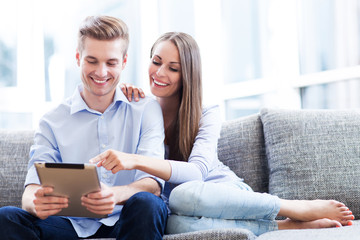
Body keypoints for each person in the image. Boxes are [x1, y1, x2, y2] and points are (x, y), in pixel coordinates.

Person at [89, 32, 355, 236]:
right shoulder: (139, 110)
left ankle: (293, 207)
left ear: (187, 74)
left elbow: (196, 174)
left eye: (173, 67)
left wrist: (134, 160)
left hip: (223, 193)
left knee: (182, 194)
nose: (159, 73)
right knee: (172, 223)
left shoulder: (207, 112)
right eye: (156, 62)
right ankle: (285, 227)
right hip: (184, 211)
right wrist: (119, 96)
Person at [0, 16, 167, 240]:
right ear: (78, 58)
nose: (101, 72)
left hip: (128, 220)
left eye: (111, 62)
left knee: (148, 204)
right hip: (70, 226)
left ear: (124, 62)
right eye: (92, 60)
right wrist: (35, 203)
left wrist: (114, 195)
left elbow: (153, 185)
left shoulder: (146, 110)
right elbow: (30, 191)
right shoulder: (52, 121)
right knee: (6, 217)